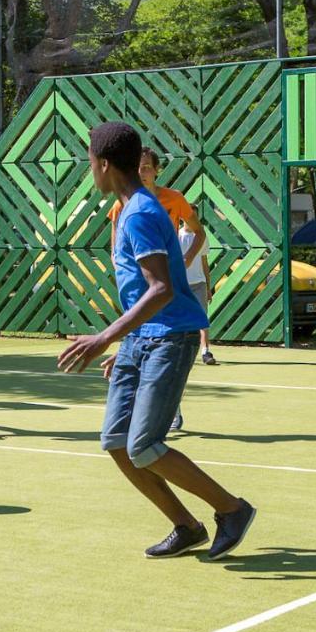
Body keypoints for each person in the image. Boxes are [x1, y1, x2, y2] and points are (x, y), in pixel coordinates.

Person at [59, 122, 255, 560]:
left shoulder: (143, 214)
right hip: (142, 340)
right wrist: (125, 345)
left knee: (143, 446)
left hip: (169, 337)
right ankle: (186, 526)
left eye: (90, 161)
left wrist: (104, 338)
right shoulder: (128, 209)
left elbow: (162, 288)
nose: (89, 169)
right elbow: (139, 291)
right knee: (116, 442)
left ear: (103, 164)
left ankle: (232, 509)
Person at [106, 148, 213, 432]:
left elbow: (198, 231)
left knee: (165, 342)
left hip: (165, 285)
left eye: (146, 167)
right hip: (141, 289)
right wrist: (117, 259)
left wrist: (188, 257)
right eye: (137, 167)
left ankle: (168, 410)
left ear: (156, 170)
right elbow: (115, 238)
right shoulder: (123, 205)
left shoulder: (173, 199)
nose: (142, 172)